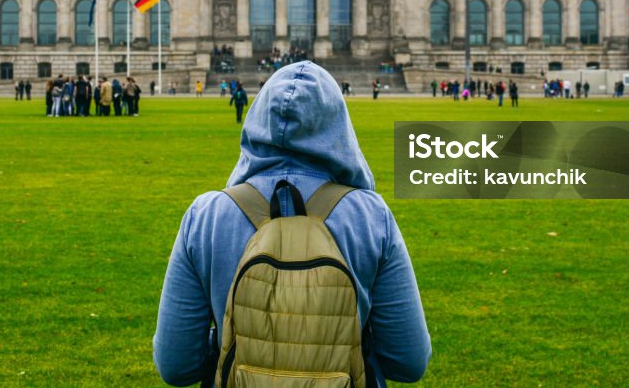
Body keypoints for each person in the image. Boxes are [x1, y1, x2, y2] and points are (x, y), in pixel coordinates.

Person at [153, 62, 431, 386]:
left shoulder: (206, 216)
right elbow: (408, 363)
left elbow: (176, 367)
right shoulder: (371, 217)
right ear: (337, 124)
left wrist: (236, 335)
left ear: (258, 119)